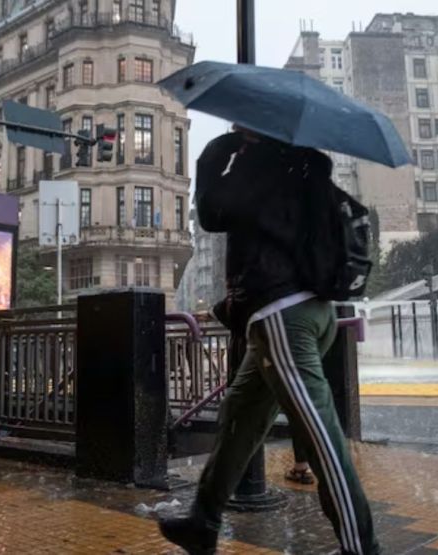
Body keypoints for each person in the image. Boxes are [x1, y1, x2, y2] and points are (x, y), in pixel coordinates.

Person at [159, 129, 380, 555]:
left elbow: (210, 212)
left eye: (241, 127)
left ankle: (362, 547)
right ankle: (202, 522)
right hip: (305, 312)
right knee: (240, 416)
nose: (236, 131)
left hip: (282, 316)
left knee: (320, 435)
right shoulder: (302, 166)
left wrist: (215, 151)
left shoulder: (260, 166)